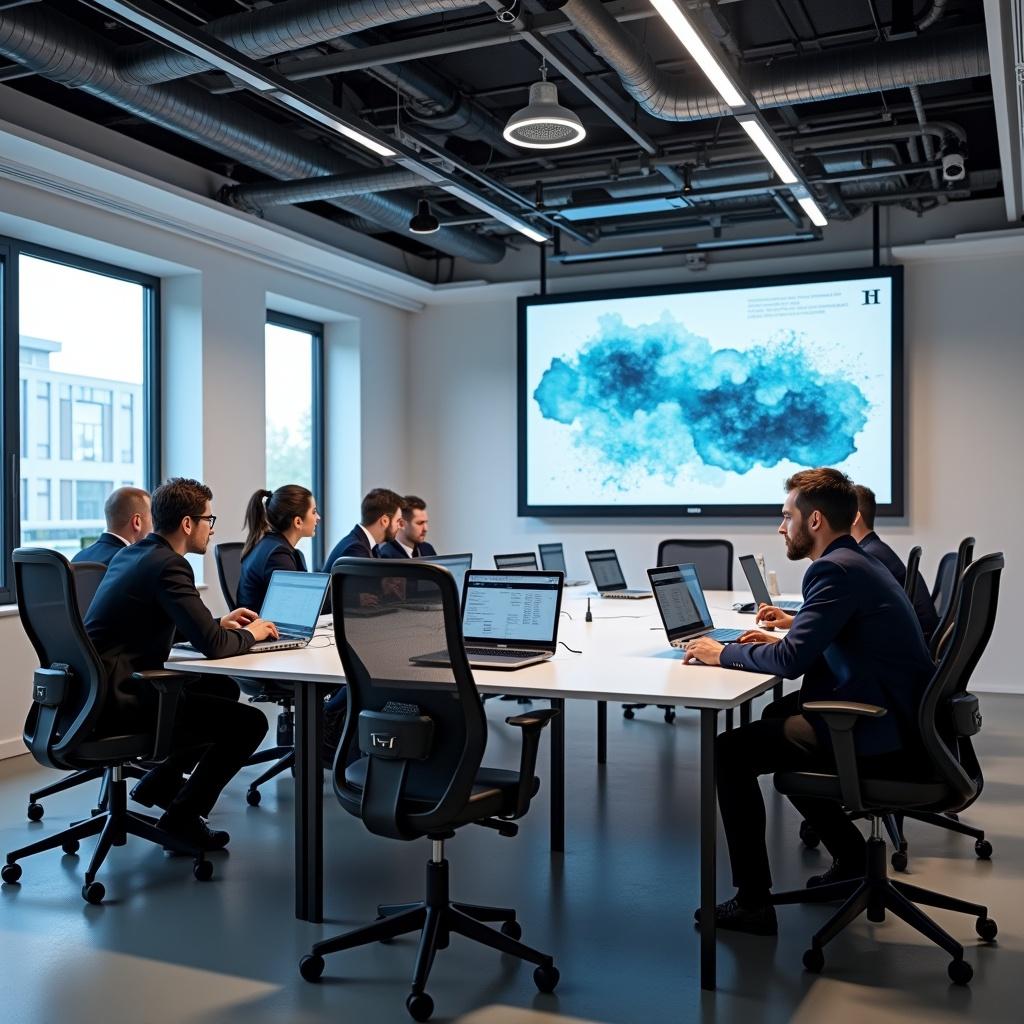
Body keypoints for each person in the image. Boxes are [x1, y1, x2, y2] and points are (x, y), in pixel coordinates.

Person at [682, 468, 935, 935]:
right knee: (781, 716)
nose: (781, 527)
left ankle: (754, 902)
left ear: (814, 520)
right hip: (904, 719)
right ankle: (853, 857)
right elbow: (824, 636)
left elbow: (792, 660)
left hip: (879, 730)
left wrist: (724, 653)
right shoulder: (856, 560)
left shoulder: (833, 569)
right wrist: (784, 629)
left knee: (729, 752)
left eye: (786, 517)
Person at [85, 477, 278, 851]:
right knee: (250, 724)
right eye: (210, 518)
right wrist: (252, 633)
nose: (212, 527)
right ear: (188, 524)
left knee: (220, 687)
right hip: (123, 702)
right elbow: (215, 648)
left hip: (97, 692)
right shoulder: (170, 565)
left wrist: (217, 624)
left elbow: (153, 625)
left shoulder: (135, 553)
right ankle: (182, 819)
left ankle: (161, 780)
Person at [850, 484, 940, 639]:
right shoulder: (875, 549)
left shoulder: (869, 557)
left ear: (855, 517)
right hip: (916, 641)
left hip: (911, 646)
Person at [237, 485, 320, 610]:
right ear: (298, 522)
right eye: (313, 512)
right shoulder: (278, 556)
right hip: (260, 627)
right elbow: (295, 606)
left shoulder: (270, 545)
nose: (318, 517)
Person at [321, 487, 404, 570]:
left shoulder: (366, 545)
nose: (400, 526)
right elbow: (369, 582)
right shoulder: (356, 549)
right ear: (384, 521)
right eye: (398, 521)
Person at [73, 486, 153, 565]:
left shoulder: (77, 558)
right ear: (137, 522)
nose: (153, 526)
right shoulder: (136, 563)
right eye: (152, 519)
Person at [377, 495, 437, 559]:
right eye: (420, 523)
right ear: (401, 524)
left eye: (426, 522)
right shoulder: (386, 556)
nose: (425, 529)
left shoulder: (427, 549)